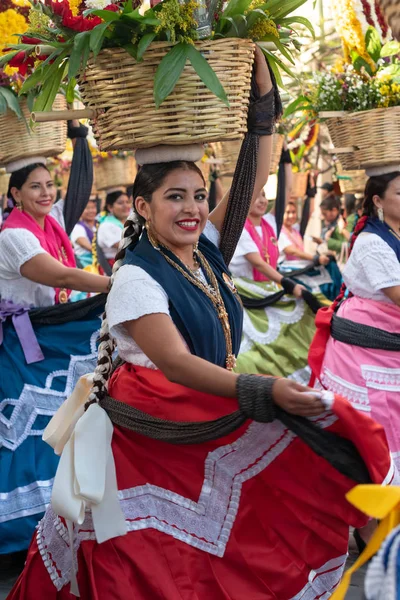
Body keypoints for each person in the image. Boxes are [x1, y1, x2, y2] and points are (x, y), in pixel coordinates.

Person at [7, 52, 395, 600]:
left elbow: (251, 177)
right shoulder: (136, 278)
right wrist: (264, 390)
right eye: (173, 197)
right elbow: (175, 363)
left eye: (197, 196)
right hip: (151, 441)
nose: (191, 208)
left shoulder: (202, 251)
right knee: (144, 571)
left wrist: (263, 106)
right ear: (141, 206)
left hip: (199, 421)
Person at [0, 160, 109, 557]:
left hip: (47, 333)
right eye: (34, 187)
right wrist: (120, 284)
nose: (45, 193)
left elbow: (79, 187)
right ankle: (22, 531)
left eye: (50, 185)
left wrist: (79, 138)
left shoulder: (51, 225)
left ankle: (59, 520)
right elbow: (62, 277)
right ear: (15, 195)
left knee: (65, 422)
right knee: (28, 434)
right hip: (21, 342)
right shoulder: (14, 235)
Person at [310, 170, 400, 476]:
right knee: (375, 435)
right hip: (368, 350)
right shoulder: (373, 242)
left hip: (389, 344)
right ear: (378, 200)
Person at [229, 192, 319, 381]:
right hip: (246, 291)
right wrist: (288, 284)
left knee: (304, 310)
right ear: (243, 198)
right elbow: (259, 263)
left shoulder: (270, 223)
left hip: (269, 285)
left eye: (264, 195)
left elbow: (286, 192)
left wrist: (286, 162)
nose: (262, 200)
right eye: (255, 196)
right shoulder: (238, 228)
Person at [278, 201, 342, 300]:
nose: (291, 215)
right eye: (287, 212)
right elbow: (292, 251)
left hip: (300, 265)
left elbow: (309, 212)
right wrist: (316, 258)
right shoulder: (279, 231)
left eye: (293, 212)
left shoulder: (295, 230)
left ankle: (336, 297)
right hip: (288, 269)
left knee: (329, 264)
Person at [96, 190, 132, 268]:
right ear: (110, 207)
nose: (126, 205)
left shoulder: (130, 222)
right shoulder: (106, 225)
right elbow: (125, 245)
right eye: (120, 203)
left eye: (127, 202)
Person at [70, 198, 97, 268]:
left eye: (93, 207)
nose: (91, 211)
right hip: (86, 265)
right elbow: (88, 247)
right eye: (87, 208)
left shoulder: (99, 223)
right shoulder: (77, 228)